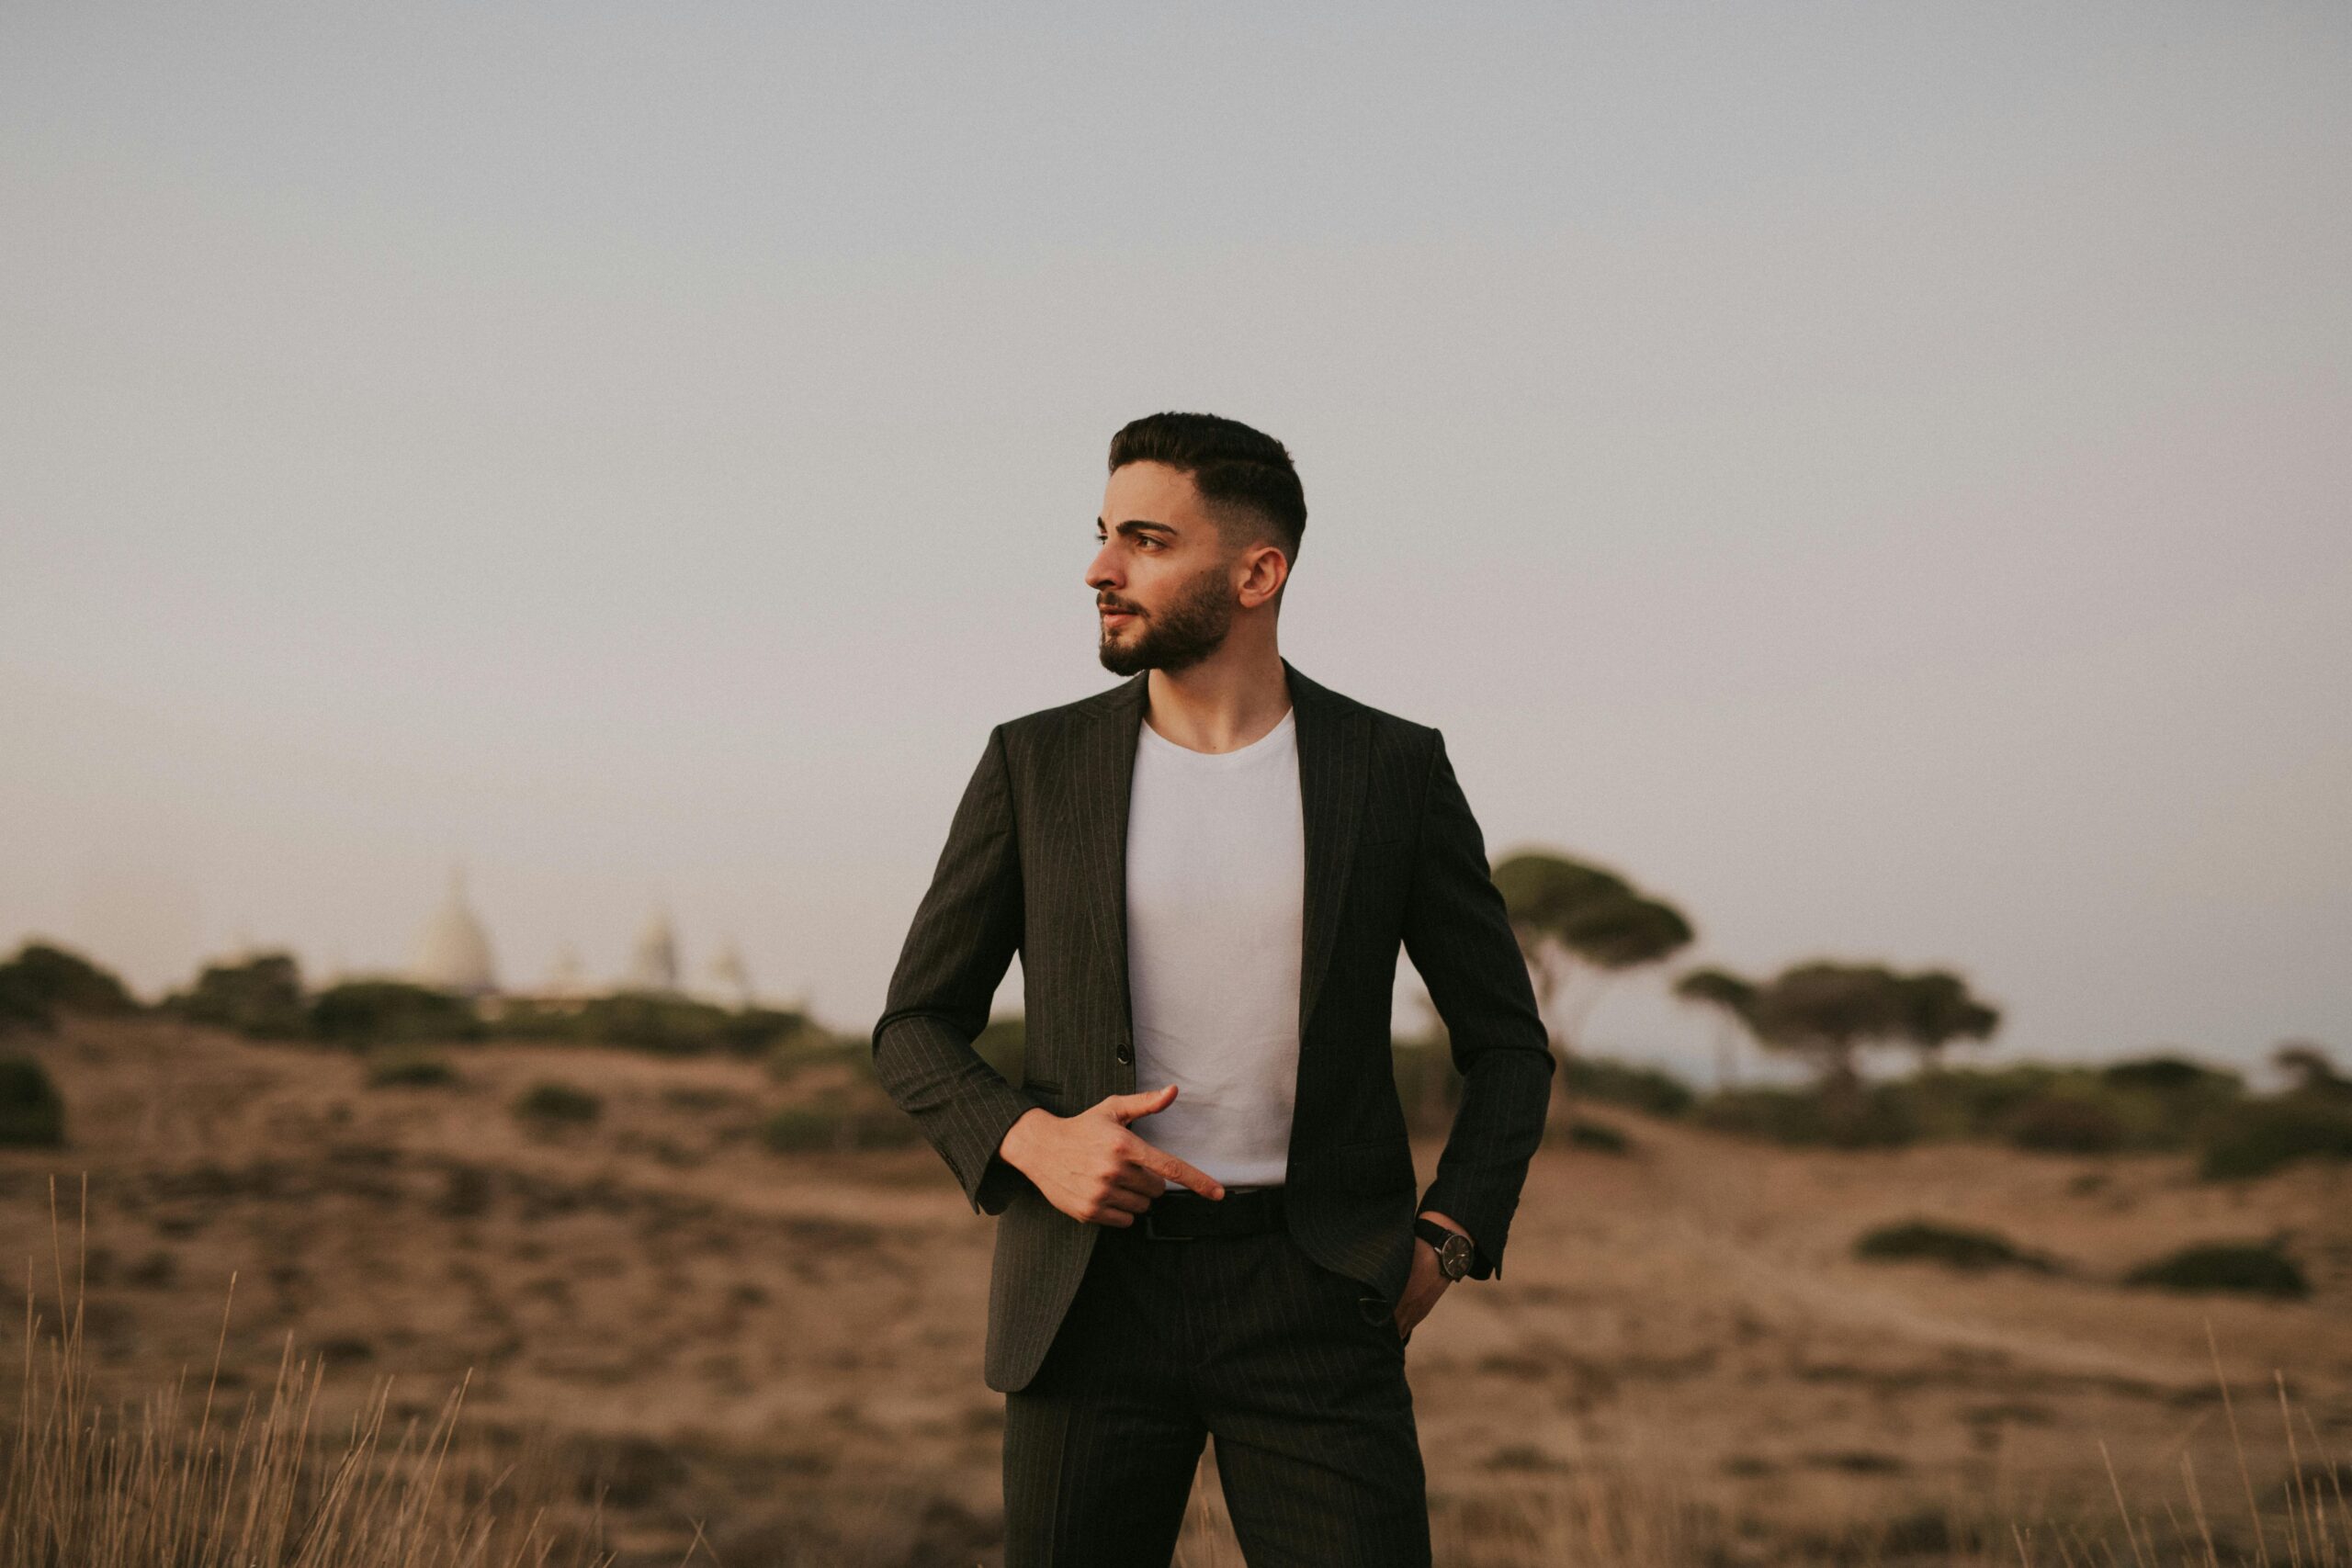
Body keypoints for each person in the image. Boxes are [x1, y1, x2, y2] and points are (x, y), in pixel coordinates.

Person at [872, 411, 1555, 1566]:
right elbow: (913, 1026)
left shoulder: (1391, 769)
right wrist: (1034, 1141)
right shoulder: (1034, 764)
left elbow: (1508, 1045)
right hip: (1086, 1295)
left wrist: (1447, 1238)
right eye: (1101, 536)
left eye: (1143, 539)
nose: (1099, 569)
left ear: (1257, 571)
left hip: (1317, 1288)